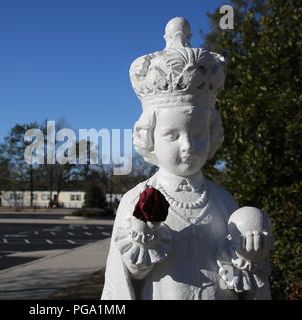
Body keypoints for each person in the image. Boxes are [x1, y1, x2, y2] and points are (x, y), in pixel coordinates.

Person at [101, 17, 272, 300]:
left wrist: (249, 258)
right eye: (172, 135)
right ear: (150, 137)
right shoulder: (136, 200)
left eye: (198, 134)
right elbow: (125, 278)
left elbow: (236, 283)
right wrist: (142, 233)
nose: (188, 146)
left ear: (213, 134)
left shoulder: (225, 202)